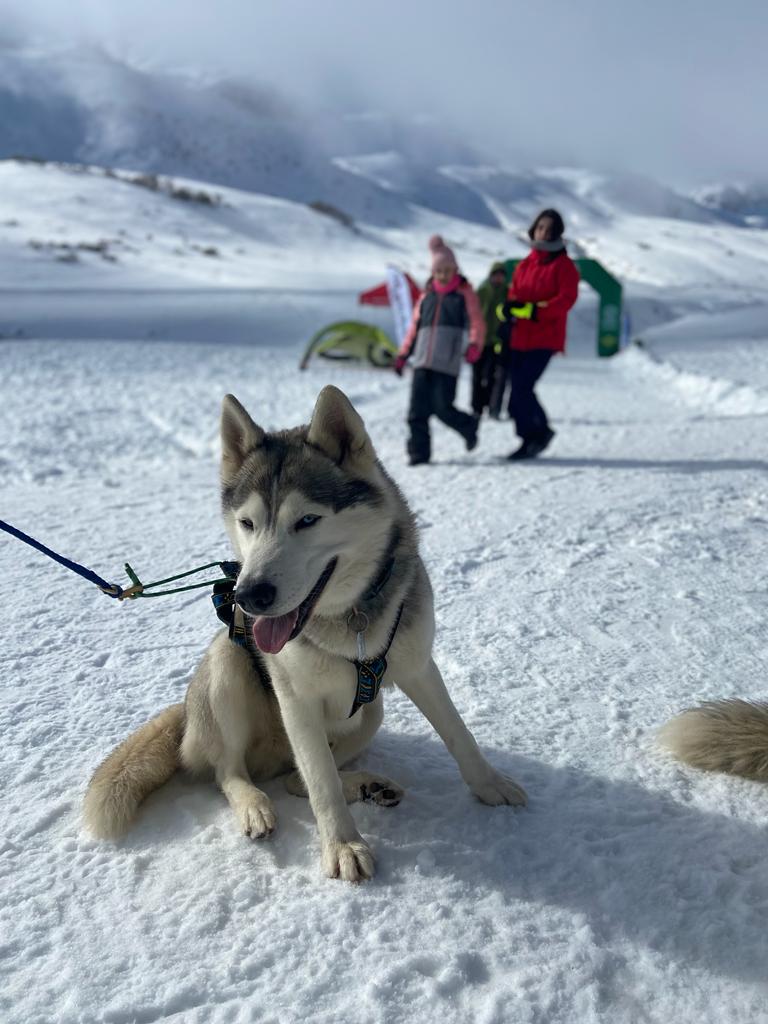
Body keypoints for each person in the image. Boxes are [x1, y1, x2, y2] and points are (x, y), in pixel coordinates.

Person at [496, 208, 579, 460]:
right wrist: (507, 310)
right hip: (520, 336)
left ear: (558, 233)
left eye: (550, 228)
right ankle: (537, 433)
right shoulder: (525, 264)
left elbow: (565, 300)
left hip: (545, 338)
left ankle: (535, 435)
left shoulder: (564, 266)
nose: (544, 232)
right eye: (541, 227)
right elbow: (515, 296)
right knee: (518, 390)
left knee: (522, 387)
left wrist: (534, 311)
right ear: (534, 229)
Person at [394, 235, 484, 466]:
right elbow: (414, 329)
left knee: (442, 408)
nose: (443, 274)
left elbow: (477, 323)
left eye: (448, 270)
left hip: (447, 362)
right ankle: (419, 454)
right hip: (422, 361)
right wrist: (403, 354)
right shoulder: (426, 297)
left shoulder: (464, 295)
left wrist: (475, 345)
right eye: (439, 270)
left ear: (455, 270)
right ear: (433, 272)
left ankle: (468, 425)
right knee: (416, 412)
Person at [474, 261, 512, 418]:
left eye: (501, 275)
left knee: (495, 376)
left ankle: (493, 407)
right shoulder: (482, 291)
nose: (498, 278)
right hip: (480, 340)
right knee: (478, 376)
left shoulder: (507, 293)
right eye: (496, 275)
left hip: (498, 342)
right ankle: (477, 408)